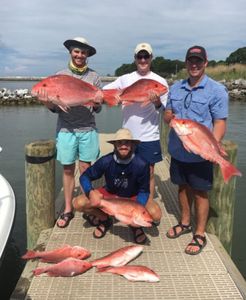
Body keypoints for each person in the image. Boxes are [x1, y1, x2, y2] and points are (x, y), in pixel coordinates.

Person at [164, 45, 229, 255]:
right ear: (186, 63)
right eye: (191, 61)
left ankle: (199, 233)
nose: (194, 65)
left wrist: (214, 145)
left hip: (201, 150)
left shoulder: (217, 90)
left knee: (200, 192)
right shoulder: (175, 88)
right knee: (182, 187)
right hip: (178, 149)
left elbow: (220, 122)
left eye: (198, 61)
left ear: (205, 63)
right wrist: (168, 117)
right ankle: (184, 222)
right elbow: (168, 114)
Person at [102, 42, 169, 224]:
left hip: (149, 136)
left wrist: (155, 102)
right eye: (139, 56)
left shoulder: (160, 82)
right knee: (124, 170)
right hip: (127, 136)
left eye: (146, 56)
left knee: (149, 171)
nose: (143, 60)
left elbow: (164, 110)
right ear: (135, 59)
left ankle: (146, 204)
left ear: (151, 58)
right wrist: (114, 97)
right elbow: (105, 93)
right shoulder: (125, 79)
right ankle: (124, 203)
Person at [42, 37, 102, 228]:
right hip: (66, 130)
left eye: (83, 52)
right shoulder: (59, 75)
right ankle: (68, 209)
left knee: (86, 169)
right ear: (70, 52)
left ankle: (86, 207)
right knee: (68, 169)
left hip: (88, 129)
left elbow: (98, 109)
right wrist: (46, 101)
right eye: (77, 51)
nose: (79, 55)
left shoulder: (94, 77)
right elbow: (54, 109)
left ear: (88, 55)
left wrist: (99, 101)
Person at [73, 128, 151, 244]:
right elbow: (84, 176)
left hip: (132, 197)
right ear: (114, 145)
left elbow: (144, 190)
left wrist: (137, 209)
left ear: (132, 145)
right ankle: (105, 220)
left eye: (127, 142)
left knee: (155, 213)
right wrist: (90, 191)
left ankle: (135, 225)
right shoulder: (106, 160)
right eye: (119, 142)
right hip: (110, 195)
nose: (123, 146)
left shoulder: (142, 164)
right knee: (78, 203)